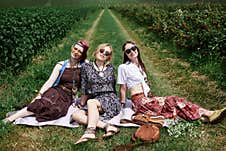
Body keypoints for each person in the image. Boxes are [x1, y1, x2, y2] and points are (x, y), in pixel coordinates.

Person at [117, 40, 226, 124]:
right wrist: (122, 106)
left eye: (133, 48)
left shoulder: (140, 66)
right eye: (128, 51)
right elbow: (123, 88)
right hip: (140, 101)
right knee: (173, 100)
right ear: (126, 54)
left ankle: (204, 118)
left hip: (148, 98)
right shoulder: (123, 67)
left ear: (137, 48)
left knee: (172, 105)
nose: (131, 51)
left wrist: (152, 98)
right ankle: (209, 113)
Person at [2, 40, 89, 123]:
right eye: (75, 49)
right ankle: (10, 119)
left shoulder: (84, 66)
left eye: (80, 51)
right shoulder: (61, 65)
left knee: (56, 111)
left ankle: (22, 113)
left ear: (82, 54)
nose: (76, 52)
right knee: (44, 103)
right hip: (56, 91)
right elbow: (50, 82)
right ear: (72, 48)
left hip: (68, 96)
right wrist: (39, 95)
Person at [72, 43, 121, 144]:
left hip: (110, 98)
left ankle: (90, 131)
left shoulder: (110, 68)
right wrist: (81, 104)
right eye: (102, 51)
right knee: (76, 115)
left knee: (91, 102)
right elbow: (84, 87)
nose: (103, 54)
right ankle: (108, 126)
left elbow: (113, 86)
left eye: (107, 53)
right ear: (96, 51)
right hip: (96, 100)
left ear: (108, 57)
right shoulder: (86, 67)